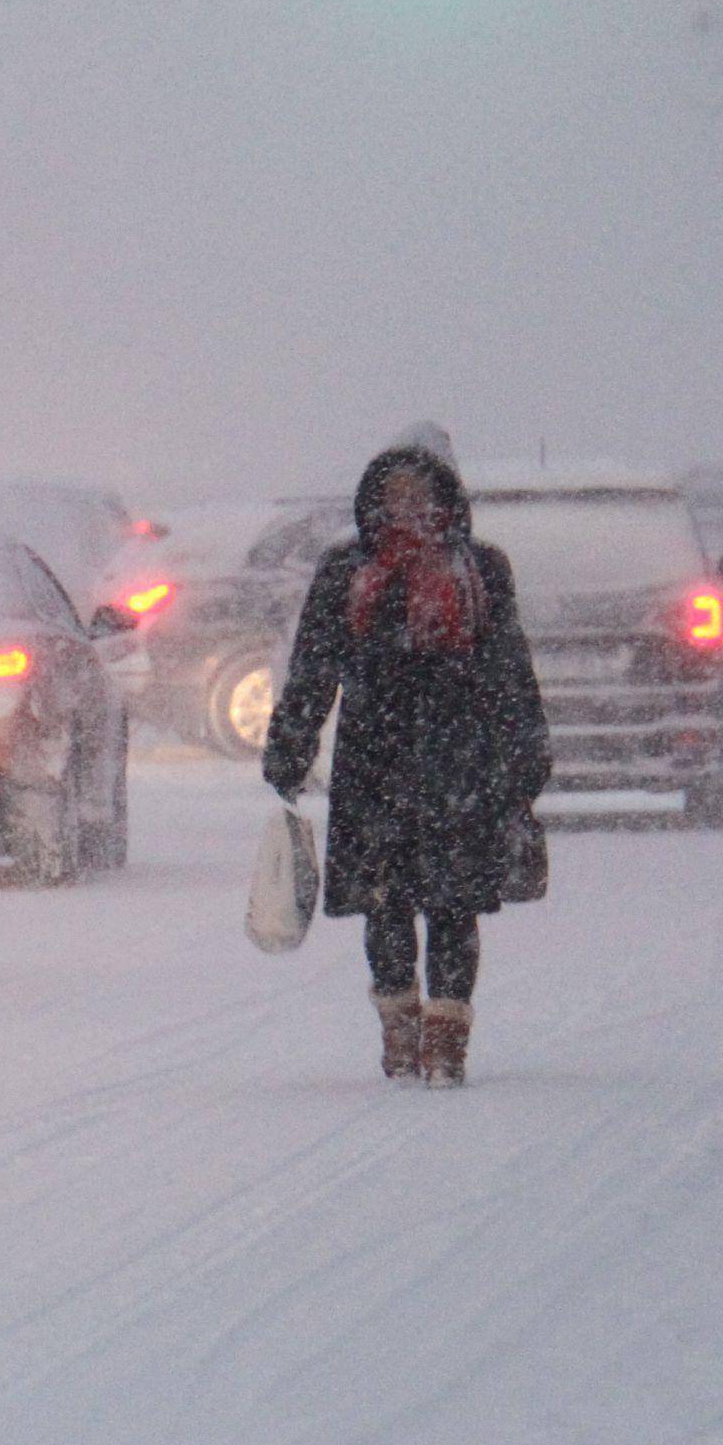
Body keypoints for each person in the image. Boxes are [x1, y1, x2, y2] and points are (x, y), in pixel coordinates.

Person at [263, 441, 549, 1086]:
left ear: (448, 501)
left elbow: (509, 669)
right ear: (372, 501)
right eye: (395, 494)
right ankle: (399, 1027)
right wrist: (291, 742)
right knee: (384, 903)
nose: (408, 506)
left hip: (462, 759)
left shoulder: (481, 569)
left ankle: (446, 1036)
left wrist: (525, 753)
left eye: (421, 494)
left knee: (454, 904)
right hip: (374, 761)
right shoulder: (345, 570)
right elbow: (314, 667)